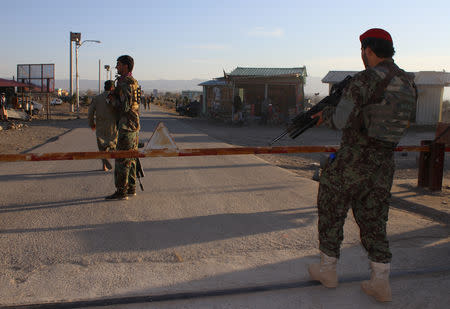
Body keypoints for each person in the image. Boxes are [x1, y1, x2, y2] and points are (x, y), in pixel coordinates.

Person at [308, 28, 416, 302]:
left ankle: (328, 271)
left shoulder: (365, 79)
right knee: (374, 220)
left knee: (331, 207)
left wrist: (326, 115)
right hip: (384, 163)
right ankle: (380, 281)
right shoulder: (407, 82)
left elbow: (342, 120)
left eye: (362, 51)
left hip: (355, 158)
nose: (362, 56)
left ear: (368, 50)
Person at [105, 55, 140, 200]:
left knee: (122, 159)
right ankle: (131, 188)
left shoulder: (125, 84)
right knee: (131, 158)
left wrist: (112, 99)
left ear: (126, 66)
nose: (116, 67)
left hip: (126, 126)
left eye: (118, 64)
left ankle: (122, 191)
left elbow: (124, 107)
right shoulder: (133, 82)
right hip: (133, 125)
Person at [88, 80, 118, 171]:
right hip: (112, 125)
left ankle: (104, 165)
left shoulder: (97, 98)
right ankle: (111, 158)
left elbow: (90, 112)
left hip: (100, 124)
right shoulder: (115, 98)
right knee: (113, 144)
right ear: (112, 88)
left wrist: (92, 124)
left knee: (102, 145)